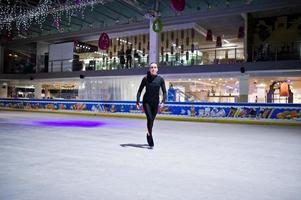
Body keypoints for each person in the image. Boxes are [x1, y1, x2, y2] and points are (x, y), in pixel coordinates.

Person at [136, 62, 166, 148]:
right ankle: (150, 136)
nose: (153, 69)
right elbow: (139, 91)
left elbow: (164, 92)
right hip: (146, 102)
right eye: (151, 67)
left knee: (151, 120)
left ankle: (148, 133)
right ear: (149, 69)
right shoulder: (145, 79)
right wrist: (137, 102)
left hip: (155, 103)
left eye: (155, 67)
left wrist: (163, 101)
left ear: (157, 69)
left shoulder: (160, 79)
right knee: (149, 118)